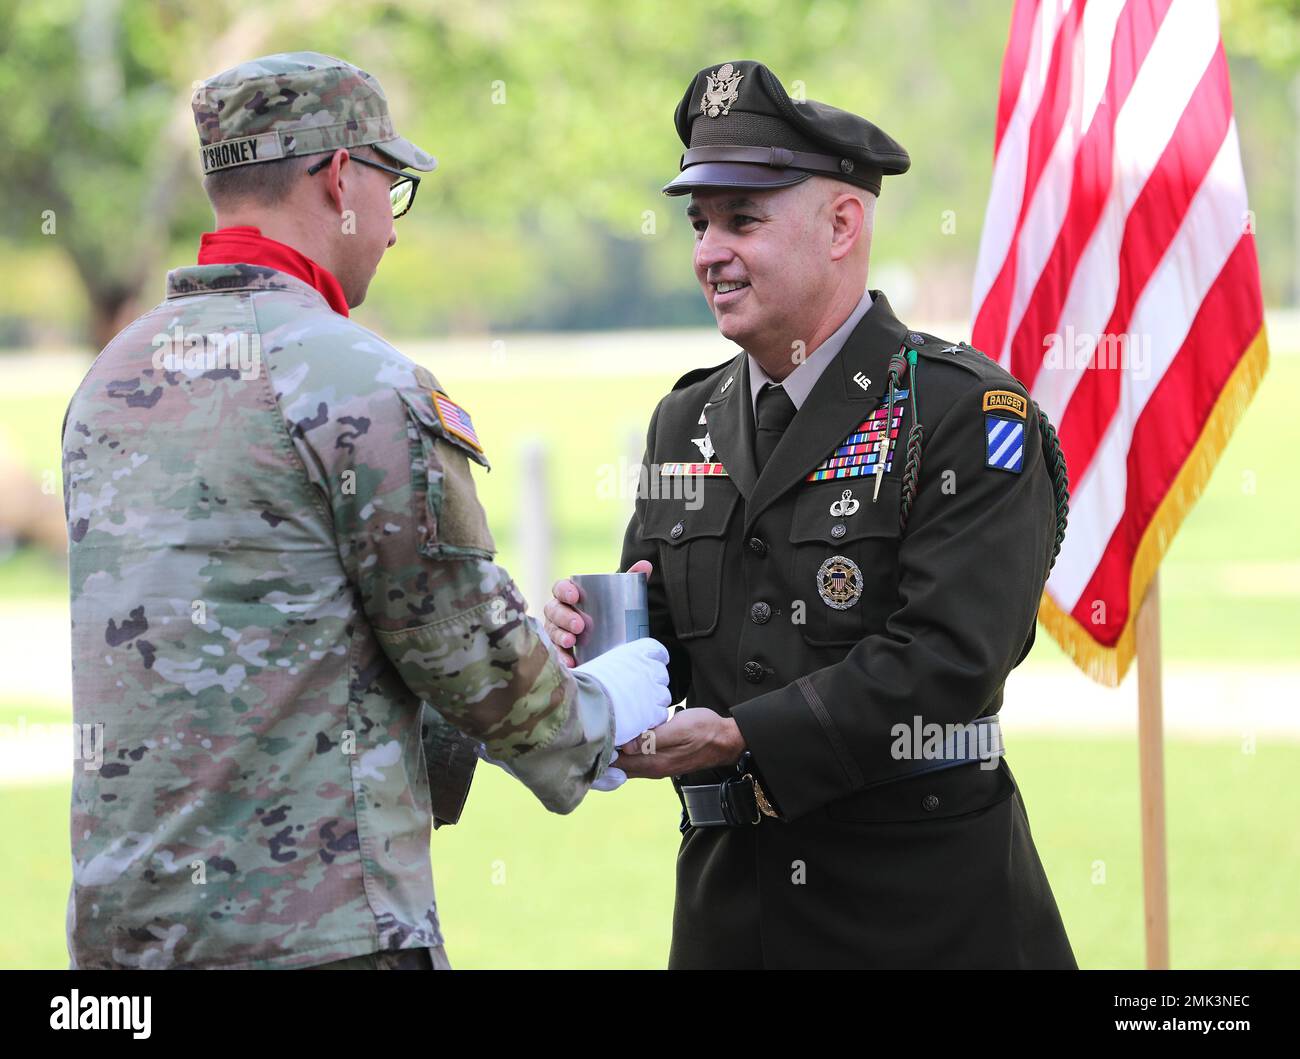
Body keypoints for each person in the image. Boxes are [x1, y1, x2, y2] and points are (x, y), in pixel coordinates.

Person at [61, 51, 669, 970]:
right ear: (342, 176)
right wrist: (601, 710)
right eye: (393, 185)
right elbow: (471, 656)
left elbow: (283, 654)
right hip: (318, 934)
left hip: (123, 948)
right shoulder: (359, 382)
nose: (391, 229)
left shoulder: (109, 379)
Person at [544, 60, 1076, 969]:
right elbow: (660, 628)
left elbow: (948, 660)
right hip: (728, 907)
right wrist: (592, 640)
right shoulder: (686, 420)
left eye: (742, 219)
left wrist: (743, 732)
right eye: (700, 223)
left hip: (920, 911)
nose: (710, 250)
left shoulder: (964, 416)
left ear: (841, 224)